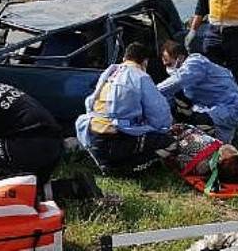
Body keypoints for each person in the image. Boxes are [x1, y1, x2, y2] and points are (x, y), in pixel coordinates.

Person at [75, 42, 177, 173]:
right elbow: (160, 115)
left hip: (92, 135)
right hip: (113, 140)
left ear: (124, 58)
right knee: (170, 142)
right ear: (145, 62)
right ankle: (125, 168)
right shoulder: (140, 76)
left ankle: (104, 162)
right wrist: (165, 128)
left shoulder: (110, 72)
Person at [157, 40, 238, 143]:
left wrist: (150, 91)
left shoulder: (195, 63)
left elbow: (178, 81)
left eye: (169, 63)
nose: (167, 67)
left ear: (180, 58)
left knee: (195, 124)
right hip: (218, 111)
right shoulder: (189, 78)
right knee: (219, 148)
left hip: (233, 109)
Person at [169, 123, 238, 184]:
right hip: (173, 137)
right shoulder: (202, 167)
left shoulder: (219, 146)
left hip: (186, 128)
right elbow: (178, 159)